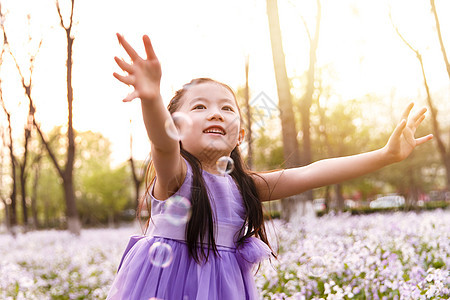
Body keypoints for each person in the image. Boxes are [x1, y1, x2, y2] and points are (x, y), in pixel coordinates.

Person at [107, 34, 433, 300]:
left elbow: (312, 173)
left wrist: (386, 155)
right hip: (168, 290)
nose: (216, 113)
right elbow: (162, 143)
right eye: (200, 107)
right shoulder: (176, 177)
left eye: (226, 108)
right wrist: (151, 99)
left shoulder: (245, 185)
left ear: (241, 134)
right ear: (176, 126)